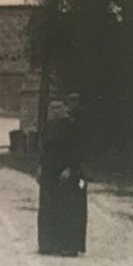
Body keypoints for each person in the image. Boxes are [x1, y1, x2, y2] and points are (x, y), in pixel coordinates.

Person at [37, 99, 87, 256]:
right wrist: (40, 167)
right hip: (49, 169)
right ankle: (49, 244)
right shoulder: (49, 126)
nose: (55, 110)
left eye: (58, 107)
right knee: (48, 206)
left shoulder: (73, 126)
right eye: (52, 108)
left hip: (67, 170)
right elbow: (43, 149)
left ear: (65, 108)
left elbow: (77, 149)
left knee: (68, 208)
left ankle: (69, 245)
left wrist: (70, 168)